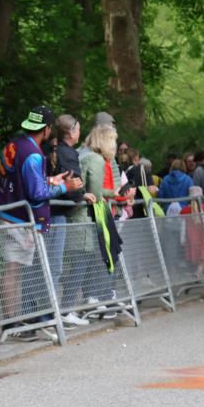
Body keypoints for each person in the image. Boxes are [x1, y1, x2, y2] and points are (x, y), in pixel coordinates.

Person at [0, 105, 82, 340]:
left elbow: (23, 179)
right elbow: (36, 193)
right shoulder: (33, 154)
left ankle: (13, 321)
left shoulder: (16, 144)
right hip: (19, 218)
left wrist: (51, 178)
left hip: (8, 212)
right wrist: (65, 186)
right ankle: (11, 323)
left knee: (15, 269)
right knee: (13, 269)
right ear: (47, 129)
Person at [77, 123, 133, 316]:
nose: (116, 144)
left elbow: (110, 184)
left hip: (106, 209)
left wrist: (119, 194)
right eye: (114, 140)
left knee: (107, 254)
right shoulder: (93, 158)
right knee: (100, 255)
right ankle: (94, 296)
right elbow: (96, 190)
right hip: (97, 211)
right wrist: (114, 193)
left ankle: (102, 294)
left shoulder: (107, 160)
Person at [50, 115, 97, 326]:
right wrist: (81, 195)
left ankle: (49, 312)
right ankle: (53, 312)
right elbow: (73, 180)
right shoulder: (67, 153)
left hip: (57, 212)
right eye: (78, 128)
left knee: (55, 264)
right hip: (58, 213)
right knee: (55, 265)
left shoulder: (57, 150)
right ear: (71, 132)